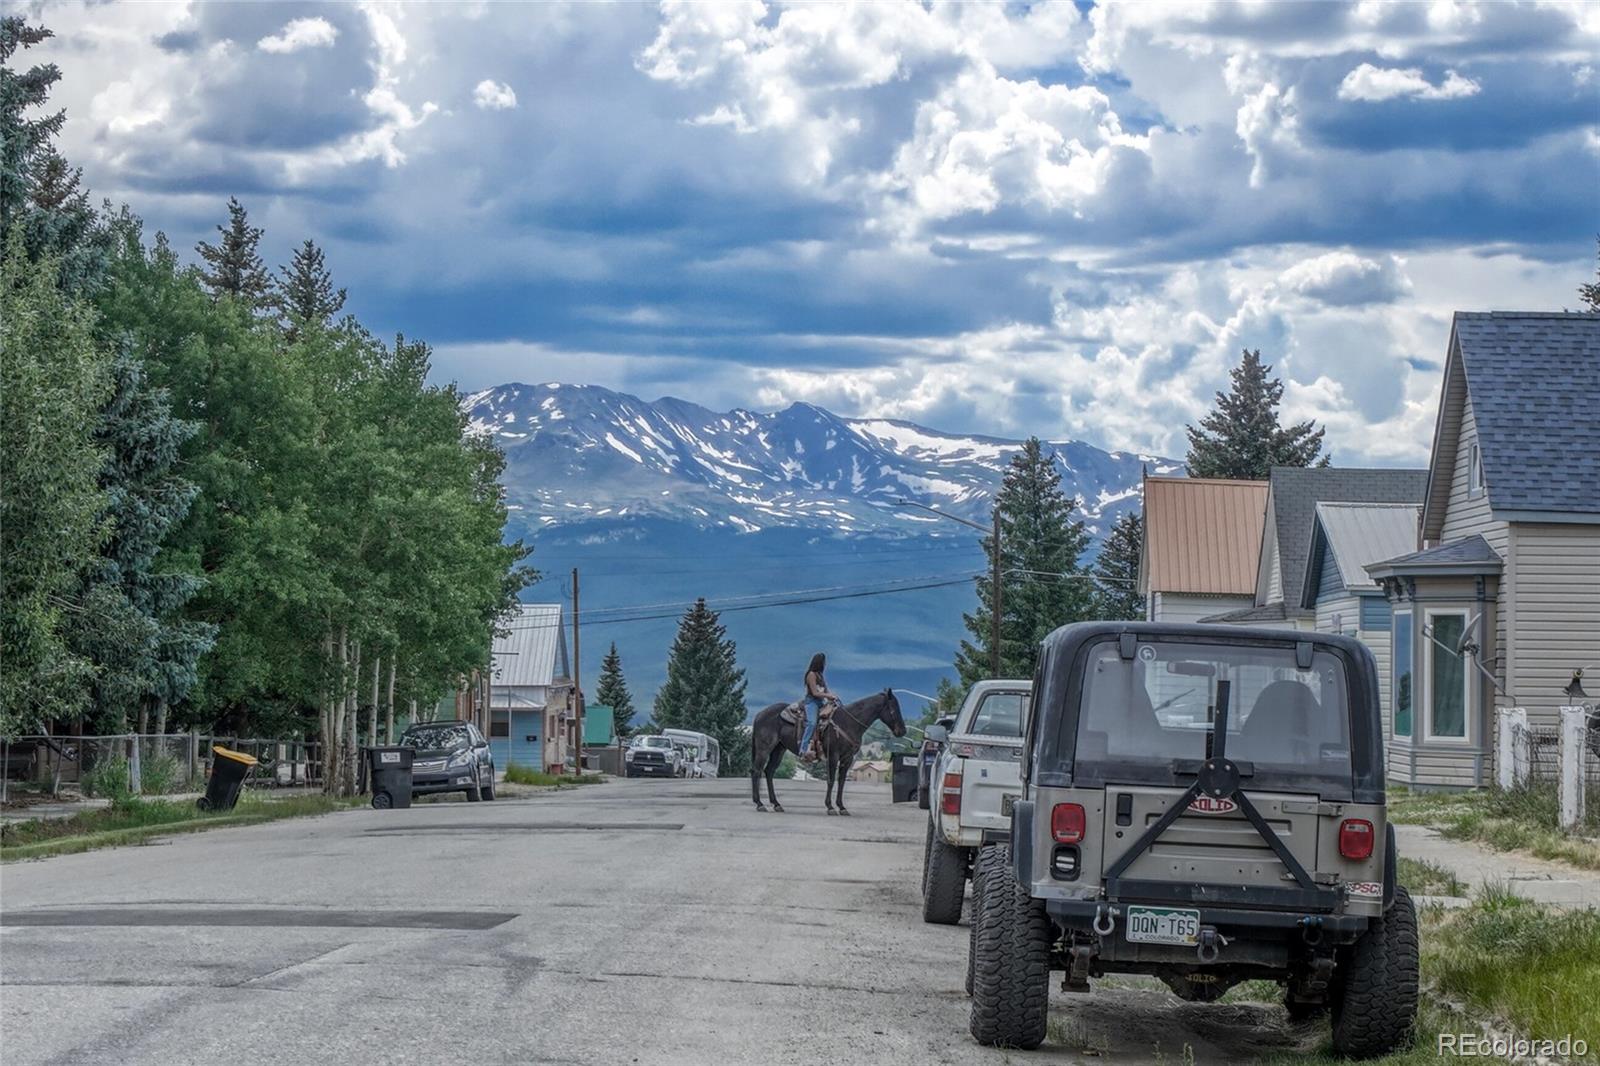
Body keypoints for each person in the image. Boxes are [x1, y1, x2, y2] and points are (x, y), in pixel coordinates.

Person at [799, 652, 837, 763]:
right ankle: (803, 748)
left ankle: (822, 747)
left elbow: (826, 690)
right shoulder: (811, 675)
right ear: (819, 663)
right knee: (812, 723)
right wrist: (828, 695)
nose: (825, 665)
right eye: (824, 662)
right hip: (811, 702)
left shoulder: (820, 676)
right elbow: (815, 693)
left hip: (821, 702)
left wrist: (831, 698)